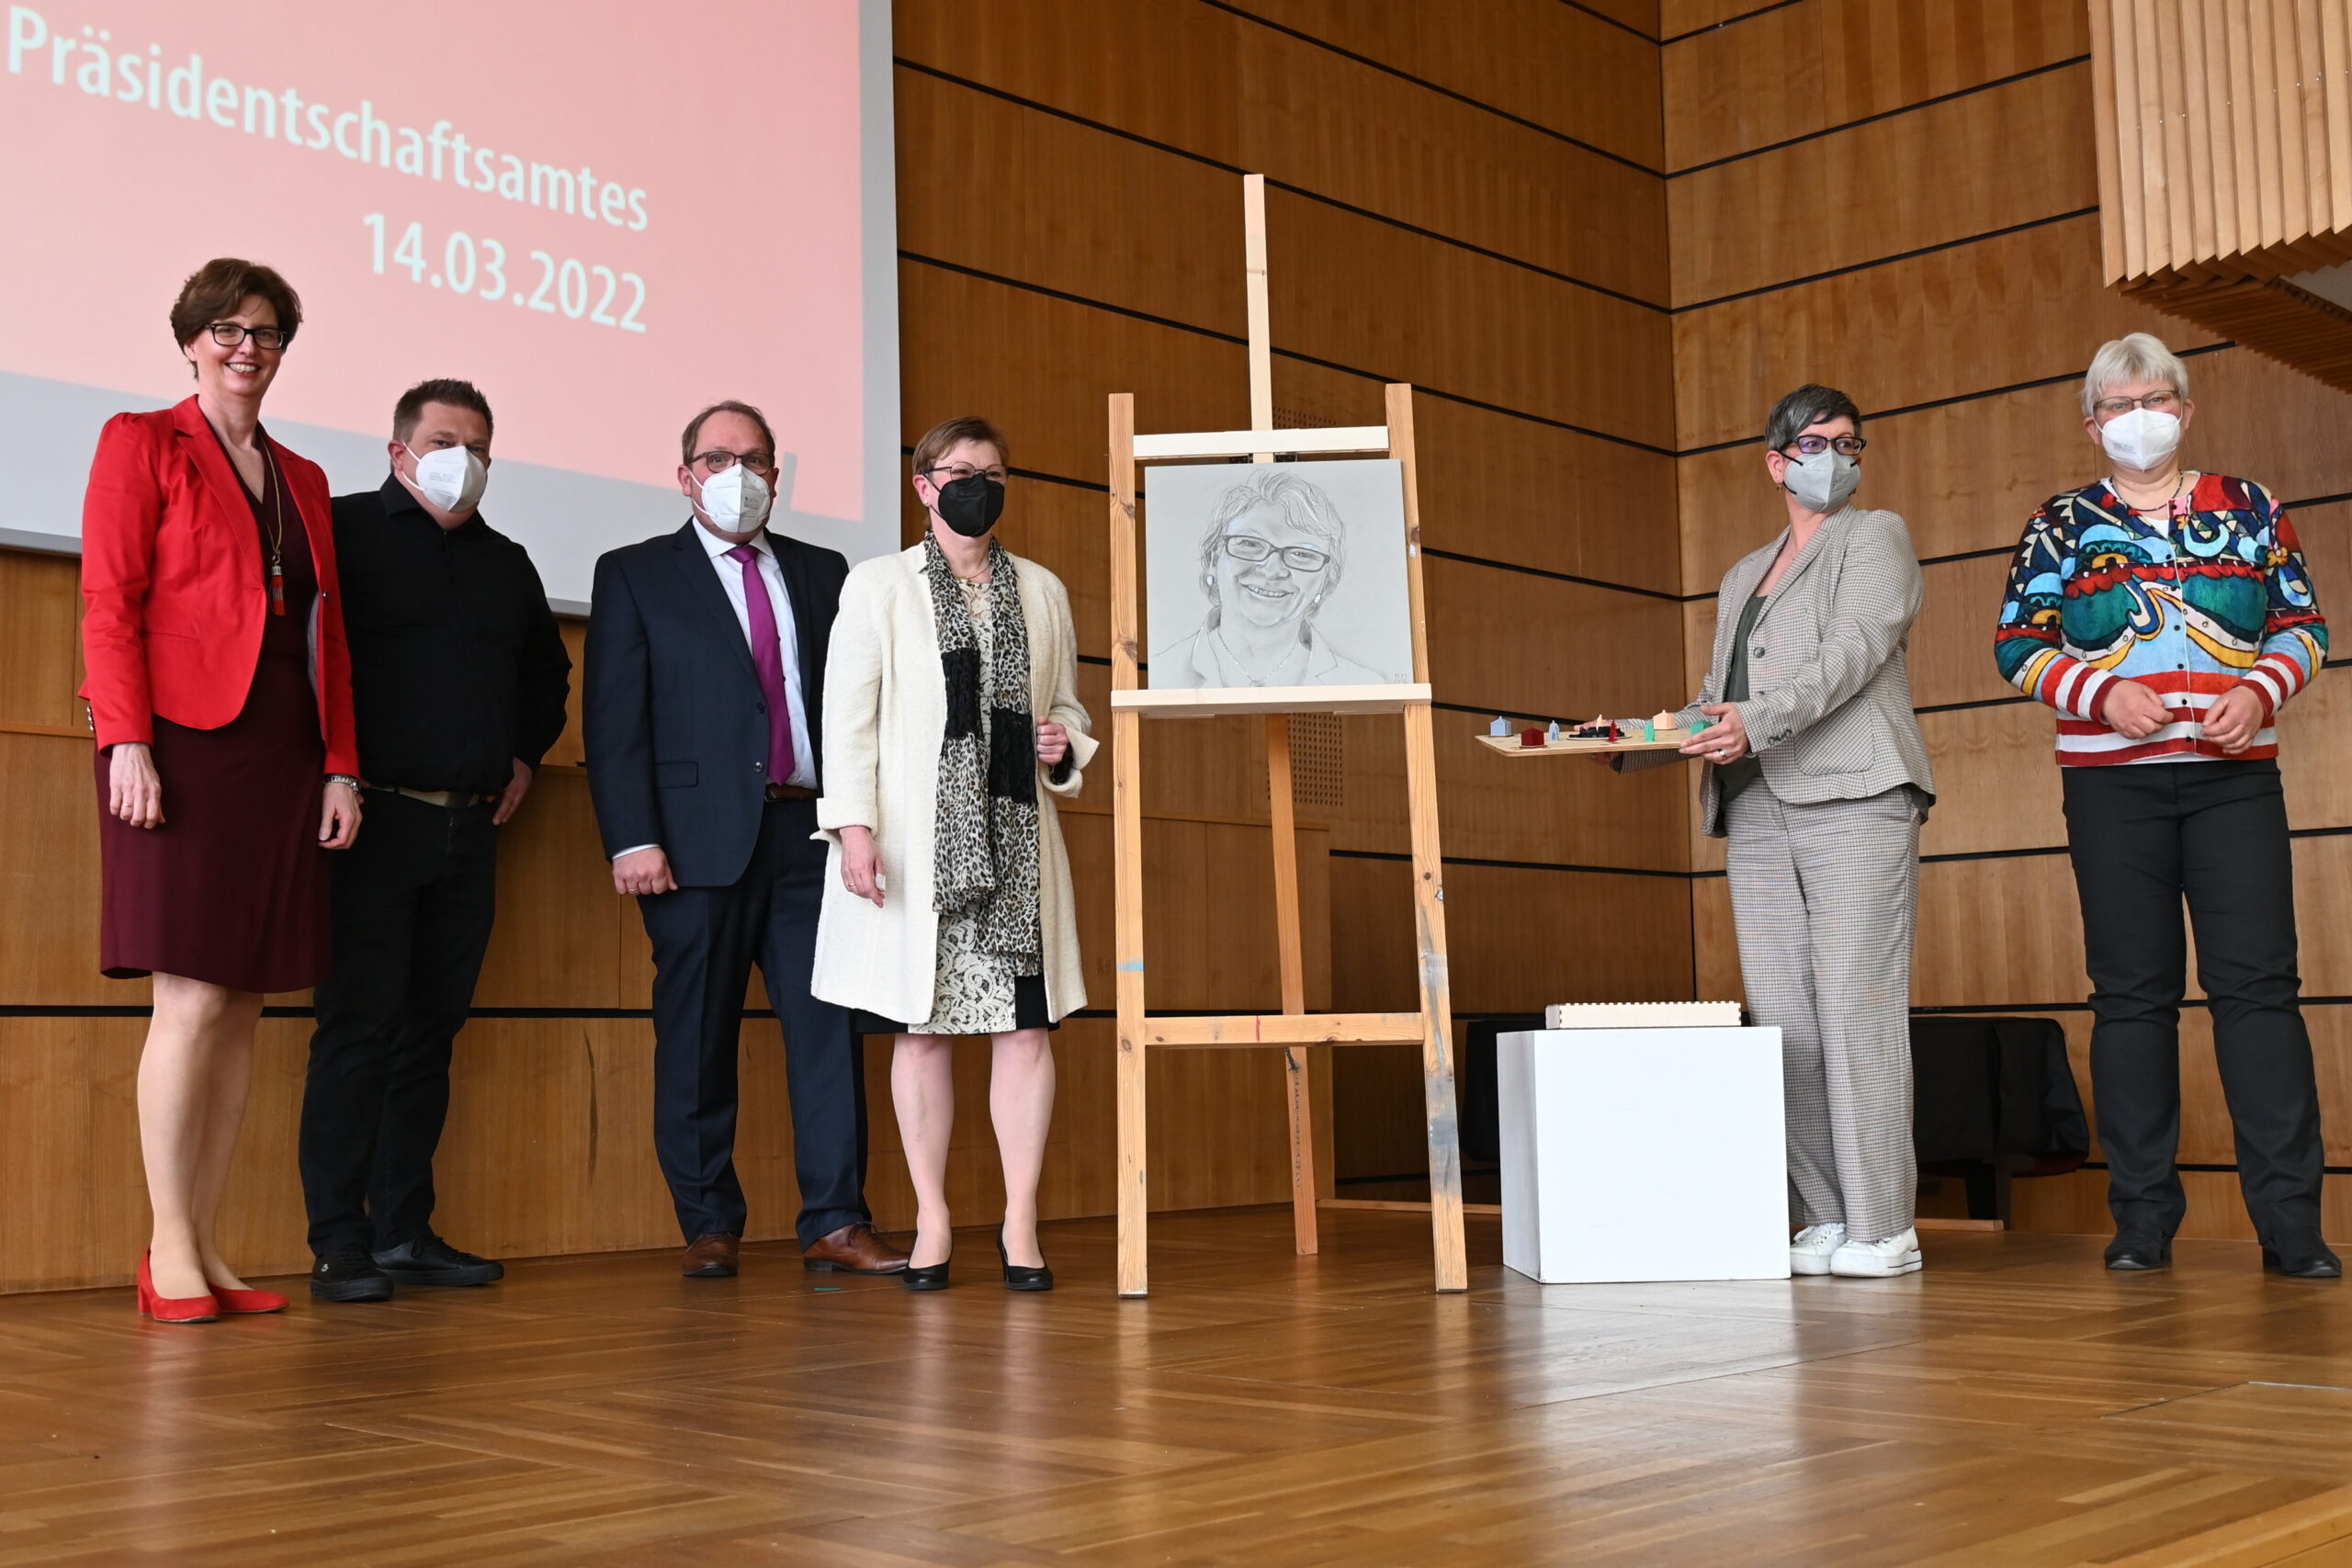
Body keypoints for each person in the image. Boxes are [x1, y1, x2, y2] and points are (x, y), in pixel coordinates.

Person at [1995, 333, 2336, 1278]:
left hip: (2235, 781)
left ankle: (2290, 1228)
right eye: (2115, 405)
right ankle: (2142, 1223)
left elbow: (2304, 625)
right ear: (2091, 422)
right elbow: (2018, 644)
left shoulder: (2252, 506)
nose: (2135, 418)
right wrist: (2099, 695)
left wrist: (2259, 691)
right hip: (2112, 789)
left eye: (2153, 399)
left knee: (2257, 995)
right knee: (2133, 1001)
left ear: (2182, 410)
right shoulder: (2060, 523)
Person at [81, 258, 363, 1324]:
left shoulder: (305, 477)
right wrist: (127, 743)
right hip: (181, 744)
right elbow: (109, 602)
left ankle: (207, 1240)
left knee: (245, 1006)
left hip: (283, 750)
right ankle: (165, 1248)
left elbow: (327, 633)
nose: (249, 345)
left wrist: (342, 761)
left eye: (268, 330)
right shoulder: (139, 442)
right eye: (228, 328)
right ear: (192, 339)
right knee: (192, 996)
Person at [1614, 384, 1933, 1280]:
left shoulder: (1875, 537)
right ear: (1775, 459)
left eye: (1848, 442)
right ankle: (1827, 1216)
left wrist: (1757, 720)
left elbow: (1851, 656)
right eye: (1815, 442)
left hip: (1857, 795)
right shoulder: (1741, 573)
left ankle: (1883, 1225)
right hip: (1752, 804)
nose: (1834, 456)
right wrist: (1632, 741)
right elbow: (1721, 701)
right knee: (1786, 1019)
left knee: (1853, 1006)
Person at [584, 400, 906, 1280]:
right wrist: (632, 839)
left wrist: (857, 821)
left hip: (809, 834)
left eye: (757, 459)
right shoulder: (635, 573)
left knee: (828, 1031)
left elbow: (855, 708)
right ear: (685, 473)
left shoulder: (823, 569)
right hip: (689, 846)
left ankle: (837, 1220)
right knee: (695, 1035)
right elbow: (615, 723)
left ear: (777, 473)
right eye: (720, 458)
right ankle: (709, 1222)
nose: (740, 474)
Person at [299, 378, 573, 1303]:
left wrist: (524, 757)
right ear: (399, 452)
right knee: (357, 1030)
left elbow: (547, 674)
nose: (465, 460)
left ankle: (405, 1232)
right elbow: (297, 657)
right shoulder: (339, 532)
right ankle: (340, 1238)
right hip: (369, 822)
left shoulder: (507, 562)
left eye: (480, 447)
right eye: (447, 440)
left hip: (472, 829)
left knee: (429, 1036)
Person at [813, 415, 1095, 1292]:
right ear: (924, 485)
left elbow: (1071, 710)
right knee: (922, 1032)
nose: (979, 483)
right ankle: (933, 1218)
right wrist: (852, 826)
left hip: (1015, 843)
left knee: (1024, 1029)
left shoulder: (1043, 590)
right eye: (961, 469)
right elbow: (846, 720)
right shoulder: (879, 585)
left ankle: (1020, 1220)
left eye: (994, 471)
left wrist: (1064, 744)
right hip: (918, 845)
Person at [1152, 467, 1403, 687]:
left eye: (1302, 554)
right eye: (1250, 544)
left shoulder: (1363, 685)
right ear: (1212, 560)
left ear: (1326, 583)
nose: (1273, 569)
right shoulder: (1161, 674)